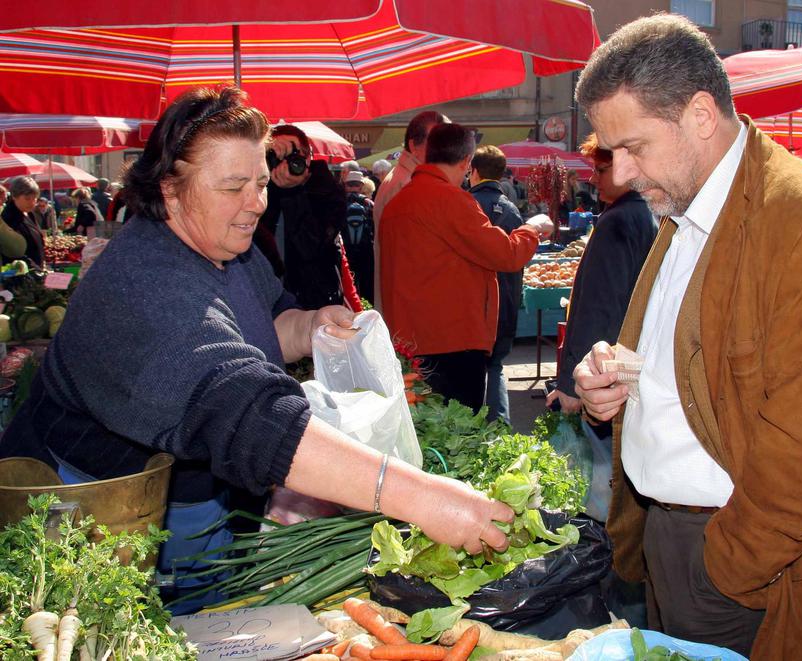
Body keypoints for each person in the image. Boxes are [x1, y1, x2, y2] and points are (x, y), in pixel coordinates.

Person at [0, 87, 513, 612]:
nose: (256, 203)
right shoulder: (145, 288)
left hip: (199, 495)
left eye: (262, 182)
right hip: (93, 518)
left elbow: (267, 322)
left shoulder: (227, 246)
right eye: (233, 186)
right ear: (170, 190)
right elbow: (252, 417)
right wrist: (424, 498)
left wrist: (312, 324)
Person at [572, 14, 802, 659]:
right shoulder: (688, 203)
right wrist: (612, 382)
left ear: (699, 114)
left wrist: (723, 572)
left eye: (634, 146)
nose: (623, 171)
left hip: (751, 566)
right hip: (680, 545)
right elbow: (696, 359)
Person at [381, 123, 553, 411]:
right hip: (451, 343)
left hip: (411, 341)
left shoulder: (399, 202)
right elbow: (506, 255)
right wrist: (532, 229)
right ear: (466, 162)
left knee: (427, 436)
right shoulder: (449, 200)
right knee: (460, 437)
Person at [549, 131, 656, 422]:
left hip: (605, 373)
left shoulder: (618, 220)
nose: (593, 180)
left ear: (626, 166)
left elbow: (600, 305)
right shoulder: (650, 212)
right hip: (631, 365)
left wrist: (571, 383)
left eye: (600, 170)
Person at [255, 123, 362, 312]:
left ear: (308, 157)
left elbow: (310, 247)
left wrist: (294, 192)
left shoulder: (326, 191)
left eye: (293, 157)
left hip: (315, 305)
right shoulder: (257, 193)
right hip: (265, 301)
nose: (285, 165)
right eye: (276, 158)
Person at [468, 145, 525, 424]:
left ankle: (478, 428)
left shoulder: (465, 205)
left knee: (472, 371)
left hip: (473, 305)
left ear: (474, 172)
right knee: (496, 367)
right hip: (505, 302)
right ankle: (500, 426)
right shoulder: (512, 210)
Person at [372, 110, 449, 311]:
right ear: (414, 145)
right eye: (436, 142)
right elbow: (415, 257)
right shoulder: (407, 184)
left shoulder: (405, 178)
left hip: (405, 300)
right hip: (410, 304)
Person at [342, 170, 375, 302]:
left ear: (345, 185)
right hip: (365, 251)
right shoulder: (369, 204)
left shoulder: (339, 202)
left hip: (346, 250)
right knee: (367, 285)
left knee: (349, 284)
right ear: (361, 186)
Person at [1, 176, 44, 268]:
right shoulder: (9, 218)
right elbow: (13, 251)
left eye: (35, 198)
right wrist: (35, 267)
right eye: (27, 199)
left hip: (36, 272)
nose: (32, 202)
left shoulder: (30, 214)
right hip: (19, 275)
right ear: (14, 196)